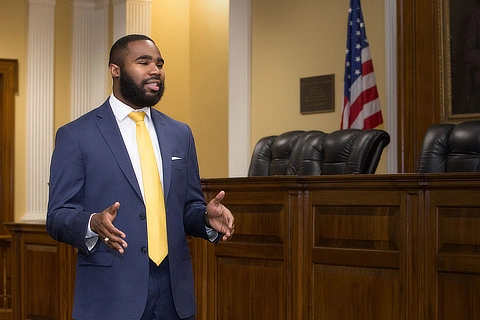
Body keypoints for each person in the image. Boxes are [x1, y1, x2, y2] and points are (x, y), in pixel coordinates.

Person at [46, 34, 234, 320]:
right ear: (115, 69)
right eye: (143, 62)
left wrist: (206, 219)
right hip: (110, 295)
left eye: (159, 63)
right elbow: (58, 215)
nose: (155, 70)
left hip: (175, 294)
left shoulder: (179, 133)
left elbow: (187, 208)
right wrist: (92, 222)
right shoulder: (76, 135)